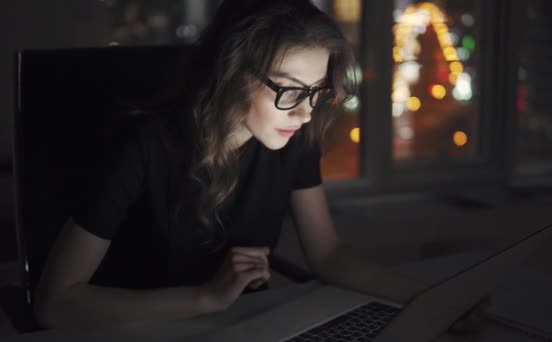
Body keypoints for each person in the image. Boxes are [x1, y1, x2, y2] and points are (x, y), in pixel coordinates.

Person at [33, 0, 486, 331]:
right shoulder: (143, 146)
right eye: (289, 90)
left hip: (242, 326)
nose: (306, 112)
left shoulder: (292, 137)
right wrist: (206, 297)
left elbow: (327, 254)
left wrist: (431, 301)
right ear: (232, 74)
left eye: (315, 92)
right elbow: (54, 305)